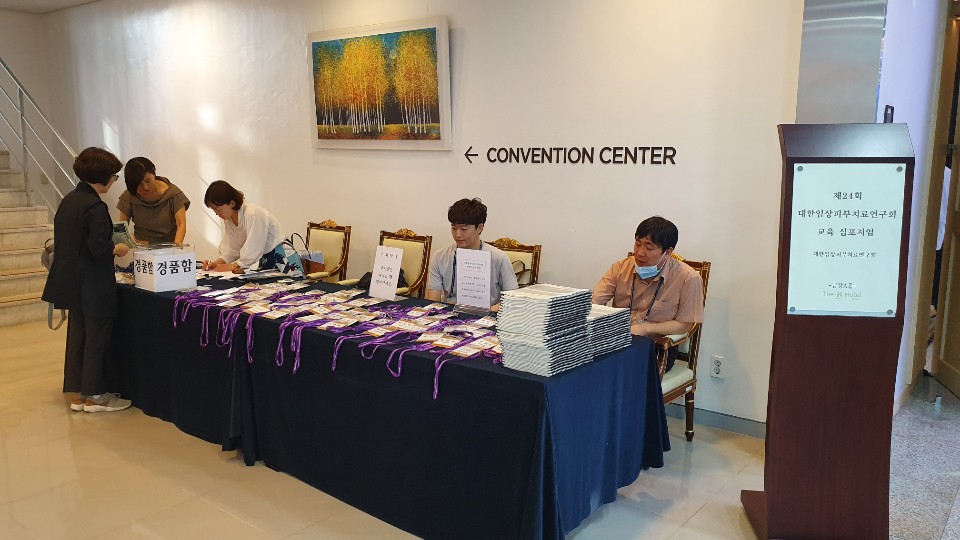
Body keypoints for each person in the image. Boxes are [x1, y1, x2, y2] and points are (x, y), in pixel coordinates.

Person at [41, 147, 132, 413]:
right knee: (96, 338)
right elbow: (98, 248)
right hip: (93, 283)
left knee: (78, 337)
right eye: (114, 176)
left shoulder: (69, 200)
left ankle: (78, 394)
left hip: (71, 282)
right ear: (103, 176)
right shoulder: (95, 207)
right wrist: (117, 248)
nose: (114, 181)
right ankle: (95, 395)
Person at [592, 216, 704, 372]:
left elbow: (685, 324)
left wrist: (645, 329)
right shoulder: (620, 268)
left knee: (613, 370)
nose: (640, 253)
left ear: (668, 252)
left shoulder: (688, 278)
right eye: (638, 244)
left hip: (657, 348)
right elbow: (594, 302)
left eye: (649, 248)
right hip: (618, 338)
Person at [425, 197, 518, 310]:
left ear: (479, 228)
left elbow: (512, 300)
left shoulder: (498, 258)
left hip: (488, 314)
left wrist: (487, 311)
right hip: (450, 313)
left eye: (464, 229)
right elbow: (433, 301)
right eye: (454, 228)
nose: (458, 234)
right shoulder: (440, 256)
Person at [201, 180, 285, 273]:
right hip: (265, 259)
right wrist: (215, 264)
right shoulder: (229, 221)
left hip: (282, 256)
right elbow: (232, 250)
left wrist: (233, 266)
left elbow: (254, 248)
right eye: (214, 210)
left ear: (232, 203)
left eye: (218, 209)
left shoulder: (252, 214)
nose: (216, 213)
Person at [117, 156, 190, 245]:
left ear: (154, 173)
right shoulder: (129, 196)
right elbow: (121, 228)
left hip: (169, 245)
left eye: (148, 181)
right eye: (139, 184)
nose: (145, 187)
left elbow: (181, 224)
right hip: (141, 246)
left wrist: (176, 248)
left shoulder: (173, 194)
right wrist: (129, 240)